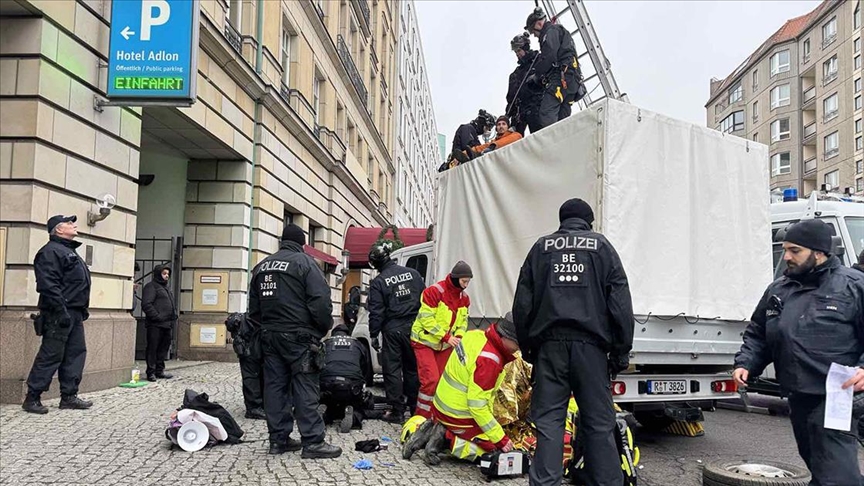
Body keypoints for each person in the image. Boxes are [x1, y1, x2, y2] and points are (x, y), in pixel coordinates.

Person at [512, 198, 634, 486]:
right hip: (591, 350)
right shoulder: (601, 248)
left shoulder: (541, 249)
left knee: (549, 423)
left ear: (561, 220)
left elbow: (522, 304)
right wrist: (620, 352)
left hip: (549, 349)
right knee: (599, 424)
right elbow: (620, 304)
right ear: (588, 221)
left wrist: (530, 348)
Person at [733, 219, 864, 485]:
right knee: (818, 463)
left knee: (835, 474)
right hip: (797, 395)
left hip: (837, 395)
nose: (787, 257)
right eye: (786, 249)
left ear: (819, 253)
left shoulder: (853, 285)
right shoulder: (779, 289)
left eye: (795, 250)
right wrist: (747, 362)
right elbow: (760, 332)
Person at [249, 223, 342, 458]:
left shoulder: (261, 267)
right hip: (299, 337)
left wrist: (266, 328)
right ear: (302, 243)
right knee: (305, 386)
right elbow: (320, 302)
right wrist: (322, 329)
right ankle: (312, 441)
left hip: (269, 336)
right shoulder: (305, 264)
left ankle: (278, 440)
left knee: (274, 387)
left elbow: (254, 309)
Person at [403, 314, 520, 466]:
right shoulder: (490, 360)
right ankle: (445, 437)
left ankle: (436, 428)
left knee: (491, 437)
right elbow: (477, 406)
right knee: (491, 452)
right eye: (517, 344)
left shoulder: (475, 335)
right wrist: (501, 440)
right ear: (507, 338)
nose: (518, 349)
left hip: (442, 405)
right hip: (458, 415)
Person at [23, 215, 93, 414]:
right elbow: (48, 285)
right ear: (59, 230)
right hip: (58, 313)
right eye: (70, 223)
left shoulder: (68, 250)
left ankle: (69, 396)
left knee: (75, 353)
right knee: (50, 354)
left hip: (74, 312)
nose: (75, 225)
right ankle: (32, 398)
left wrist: (80, 309)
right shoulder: (50, 251)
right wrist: (61, 310)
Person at [368, 243, 425, 423]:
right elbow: (425, 299)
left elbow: (376, 311)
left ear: (376, 264)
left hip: (393, 330)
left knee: (392, 370)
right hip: (414, 327)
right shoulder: (413, 274)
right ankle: (416, 407)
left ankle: (397, 411)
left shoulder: (379, 281)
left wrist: (373, 334)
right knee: (412, 369)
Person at [410, 261, 473, 419]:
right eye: (464, 281)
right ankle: (420, 418)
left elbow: (463, 321)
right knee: (431, 380)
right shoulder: (434, 292)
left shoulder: (464, 298)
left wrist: (458, 336)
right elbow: (426, 320)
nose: (466, 285)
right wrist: (447, 337)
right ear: (455, 278)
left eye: (468, 282)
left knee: (442, 383)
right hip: (424, 341)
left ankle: (434, 417)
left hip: (444, 345)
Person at [525, 8, 586, 132]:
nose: (534, 35)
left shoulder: (550, 32)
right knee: (562, 119)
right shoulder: (559, 31)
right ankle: (564, 143)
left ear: (539, 24)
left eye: (533, 31)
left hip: (562, 78)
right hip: (572, 81)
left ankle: (552, 146)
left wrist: (537, 75)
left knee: (546, 114)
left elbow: (549, 57)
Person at [320, 324, 369, 433]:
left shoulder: (326, 343)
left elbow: (318, 365)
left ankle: (325, 415)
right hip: (351, 385)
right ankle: (353, 415)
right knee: (357, 406)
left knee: (328, 401)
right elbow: (365, 367)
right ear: (348, 334)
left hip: (328, 384)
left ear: (333, 333)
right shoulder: (357, 343)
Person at [225, 312, 266, 420]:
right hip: (250, 350)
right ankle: (254, 408)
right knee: (252, 378)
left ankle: (256, 406)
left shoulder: (247, 318)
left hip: (250, 350)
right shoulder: (251, 319)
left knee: (254, 377)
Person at [141, 264, 176, 382]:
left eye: (167, 274)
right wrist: (156, 316)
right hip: (155, 324)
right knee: (153, 348)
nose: (166, 276)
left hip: (167, 324)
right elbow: (146, 304)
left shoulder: (166, 288)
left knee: (163, 348)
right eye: (164, 274)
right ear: (158, 274)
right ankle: (151, 372)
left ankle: (159, 370)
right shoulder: (151, 287)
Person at [506, 32, 542, 135]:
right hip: (520, 111)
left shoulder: (538, 60)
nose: (517, 54)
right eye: (515, 52)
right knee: (513, 138)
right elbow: (511, 98)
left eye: (518, 50)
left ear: (525, 48)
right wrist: (507, 116)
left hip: (537, 106)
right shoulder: (515, 74)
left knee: (538, 135)